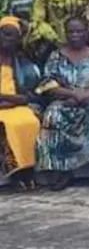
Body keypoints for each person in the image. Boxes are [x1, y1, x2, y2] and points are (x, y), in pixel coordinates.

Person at [35, 17, 89, 190]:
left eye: (80, 31)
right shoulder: (56, 56)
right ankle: (64, 172)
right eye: (71, 31)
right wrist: (71, 94)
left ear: (87, 33)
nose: (75, 35)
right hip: (65, 99)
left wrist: (85, 96)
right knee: (52, 115)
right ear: (65, 33)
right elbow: (48, 84)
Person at [0, 16, 41, 191]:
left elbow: (29, 96)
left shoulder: (23, 62)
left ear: (18, 41)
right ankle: (16, 174)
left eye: (11, 36)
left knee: (30, 122)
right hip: (5, 108)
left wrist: (8, 99)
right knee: (6, 125)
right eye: (3, 34)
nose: (5, 39)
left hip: (16, 106)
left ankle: (28, 171)